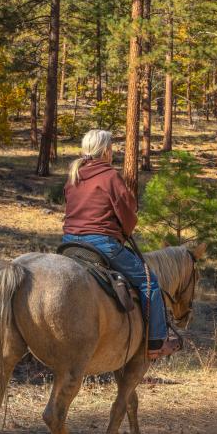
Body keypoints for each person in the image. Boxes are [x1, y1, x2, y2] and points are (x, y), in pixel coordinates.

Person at [62, 129, 180, 359]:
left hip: (68, 242)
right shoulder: (109, 176)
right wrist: (124, 230)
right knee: (149, 282)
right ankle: (156, 343)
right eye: (111, 147)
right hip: (101, 244)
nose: (113, 151)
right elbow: (128, 211)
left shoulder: (75, 174)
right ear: (106, 150)